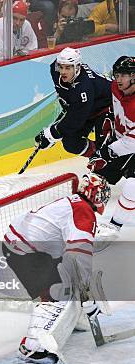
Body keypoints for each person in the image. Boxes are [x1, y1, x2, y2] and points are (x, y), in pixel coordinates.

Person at [3, 174, 110, 364]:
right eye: (101, 195)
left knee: (67, 285)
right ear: (95, 195)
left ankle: (70, 319)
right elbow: (79, 256)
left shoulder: (76, 203)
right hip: (26, 250)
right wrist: (87, 294)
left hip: (23, 244)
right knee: (54, 296)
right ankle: (33, 349)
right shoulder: (84, 211)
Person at [87, 56, 135, 248]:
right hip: (121, 139)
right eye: (116, 74)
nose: (118, 79)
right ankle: (81, 221)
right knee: (95, 178)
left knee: (132, 187)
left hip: (131, 144)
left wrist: (108, 151)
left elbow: (132, 143)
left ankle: (113, 228)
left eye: (123, 75)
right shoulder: (116, 87)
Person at [35, 47, 112, 158]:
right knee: (71, 143)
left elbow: (76, 120)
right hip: (88, 108)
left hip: (107, 107)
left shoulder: (83, 88)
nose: (63, 72)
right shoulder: (55, 70)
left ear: (77, 67)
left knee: (107, 146)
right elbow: (71, 102)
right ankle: (96, 155)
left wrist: (52, 134)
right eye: (61, 67)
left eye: (67, 68)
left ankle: (105, 158)